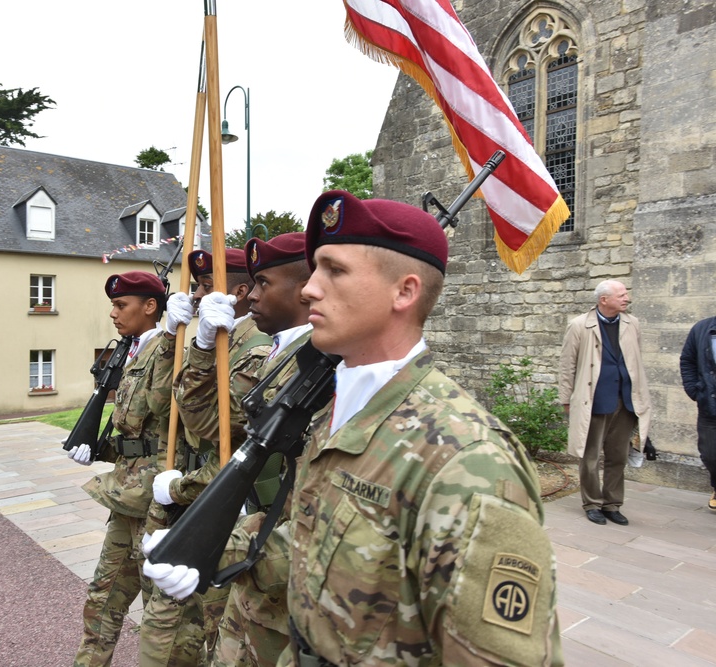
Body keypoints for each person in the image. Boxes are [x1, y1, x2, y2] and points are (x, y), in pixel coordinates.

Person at [147, 191, 563, 665]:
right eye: (315, 269)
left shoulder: (470, 462)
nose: (309, 289)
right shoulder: (340, 412)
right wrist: (211, 547)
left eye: (335, 271)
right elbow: (312, 533)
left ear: (404, 292)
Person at [150, 232, 313, 667]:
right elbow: (203, 421)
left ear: (305, 287)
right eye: (253, 283)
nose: (254, 296)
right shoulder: (280, 354)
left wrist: (187, 496)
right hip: (249, 528)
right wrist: (199, 344)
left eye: (264, 284)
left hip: (265, 539)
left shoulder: (306, 359)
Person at [142, 247, 272, 666]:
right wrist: (171, 337)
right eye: (196, 287)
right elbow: (161, 404)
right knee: (172, 632)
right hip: (193, 494)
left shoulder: (255, 347)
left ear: (239, 291)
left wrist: (180, 488)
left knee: (214, 631)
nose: (196, 296)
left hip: (223, 505)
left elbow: (214, 429)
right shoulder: (214, 336)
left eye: (204, 286)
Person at [69, 270, 176, 667]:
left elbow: (154, 410)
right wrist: (99, 447)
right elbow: (131, 428)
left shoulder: (169, 349)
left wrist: (172, 339)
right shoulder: (131, 350)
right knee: (103, 597)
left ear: (150, 307)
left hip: (156, 500)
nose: (113, 314)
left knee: (158, 609)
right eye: (113, 306)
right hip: (126, 493)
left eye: (121, 305)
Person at [559, 279, 651, 526]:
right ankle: (592, 503)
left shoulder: (633, 324)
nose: (627, 298)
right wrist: (566, 399)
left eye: (626, 294)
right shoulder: (580, 325)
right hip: (594, 400)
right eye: (621, 294)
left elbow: (635, 361)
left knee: (618, 456)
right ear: (604, 300)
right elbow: (567, 366)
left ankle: (612, 504)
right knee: (590, 457)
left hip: (626, 401)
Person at [679, 316, 716, 511]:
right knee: (709, 454)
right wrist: (694, 390)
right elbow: (687, 360)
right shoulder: (702, 329)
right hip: (710, 405)